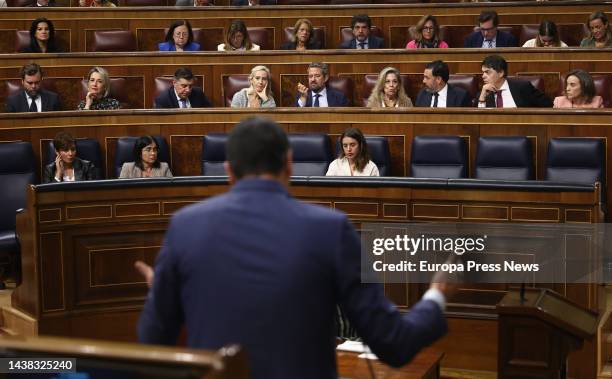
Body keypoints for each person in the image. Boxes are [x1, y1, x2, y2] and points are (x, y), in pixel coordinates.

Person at [137, 116, 453, 379]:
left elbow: (153, 344)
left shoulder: (184, 227)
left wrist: (161, 296)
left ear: (229, 170)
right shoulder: (330, 229)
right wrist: (437, 295)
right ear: (289, 164)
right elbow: (393, 343)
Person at [477, 55, 552, 108]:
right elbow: (480, 119)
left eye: (487, 72)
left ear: (501, 73)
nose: (483, 76)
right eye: (483, 72)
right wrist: (482, 98)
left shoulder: (523, 88)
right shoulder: (483, 93)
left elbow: (547, 104)